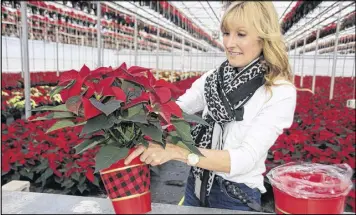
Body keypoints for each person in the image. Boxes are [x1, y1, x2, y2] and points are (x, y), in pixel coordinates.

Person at [124, 1, 297, 212]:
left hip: (235, 196)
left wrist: (178, 152)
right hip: (196, 185)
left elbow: (244, 159)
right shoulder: (214, 78)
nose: (229, 43)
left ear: (264, 37)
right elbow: (178, 108)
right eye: (226, 33)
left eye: (241, 34)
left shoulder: (278, 91)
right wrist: (132, 116)